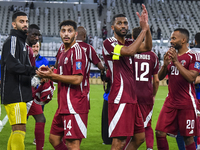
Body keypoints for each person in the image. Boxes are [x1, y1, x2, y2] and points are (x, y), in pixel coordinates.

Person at [102, 4, 152, 150]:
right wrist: (142, 31)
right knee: (119, 142)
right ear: (113, 27)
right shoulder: (109, 43)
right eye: (119, 23)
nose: (123, 26)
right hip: (119, 97)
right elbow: (129, 51)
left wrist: (146, 28)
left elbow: (148, 47)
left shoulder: (130, 42)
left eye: (125, 23)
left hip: (131, 98)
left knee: (139, 138)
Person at [36, 20, 88, 150]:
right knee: (53, 139)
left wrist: (52, 76)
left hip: (75, 105)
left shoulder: (78, 51)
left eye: (69, 31)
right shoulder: (62, 50)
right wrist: (48, 74)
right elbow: (60, 73)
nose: (66, 34)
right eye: (63, 31)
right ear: (59, 33)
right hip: (63, 105)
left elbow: (77, 79)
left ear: (75, 34)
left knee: (72, 145)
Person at [156, 28, 200, 150]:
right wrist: (165, 65)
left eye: (174, 38)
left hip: (186, 102)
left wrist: (176, 62)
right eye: (171, 38)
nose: (171, 41)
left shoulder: (194, 56)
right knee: (160, 132)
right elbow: (159, 77)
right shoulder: (171, 55)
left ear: (183, 40)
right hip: (170, 101)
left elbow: (191, 77)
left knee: (188, 138)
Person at [1, 11, 37, 150]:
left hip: (20, 92)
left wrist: (37, 72)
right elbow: (11, 65)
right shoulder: (13, 41)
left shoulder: (22, 42)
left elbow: (25, 66)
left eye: (26, 21)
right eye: (21, 21)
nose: (25, 24)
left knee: (17, 129)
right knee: (19, 129)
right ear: (14, 24)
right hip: (14, 92)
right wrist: (33, 71)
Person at [127, 27, 159, 150]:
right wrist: (154, 95)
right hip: (146, 94)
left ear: (133, 38)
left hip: (130, 94)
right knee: (147, 124)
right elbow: (156, 80)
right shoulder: (153, 56)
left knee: (130, 125)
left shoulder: (129, 52)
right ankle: (149, 148)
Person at [26, 24, 47, 150]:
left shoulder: (40, 59)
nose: (35, 48)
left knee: (41, 118)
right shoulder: (23, 52)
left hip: (35, 94)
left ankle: (39, 147)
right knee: (20, 124)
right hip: (22, 93)